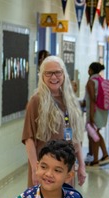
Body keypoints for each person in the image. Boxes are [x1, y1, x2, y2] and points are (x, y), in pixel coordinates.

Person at [22, 55, 86, 188]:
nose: (54, 77)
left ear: (64, 74)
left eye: (57, 72)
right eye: (49, 73)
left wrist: (81, 165)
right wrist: (35, 170)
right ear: (42, 76)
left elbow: (75, 137)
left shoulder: (70, 101)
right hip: (45, 170)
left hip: (65, 167)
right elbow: (29, 139)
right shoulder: (36, 101)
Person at [85, 62, 109, 167]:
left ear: (90, 70)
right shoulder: (101, 80)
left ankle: (99, 158)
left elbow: (92, 100)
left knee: (94, 134)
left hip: (95, 111)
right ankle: (101, 157)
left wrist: (91, 116)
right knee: (95, 134)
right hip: (102, 110)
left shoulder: (91, 82)